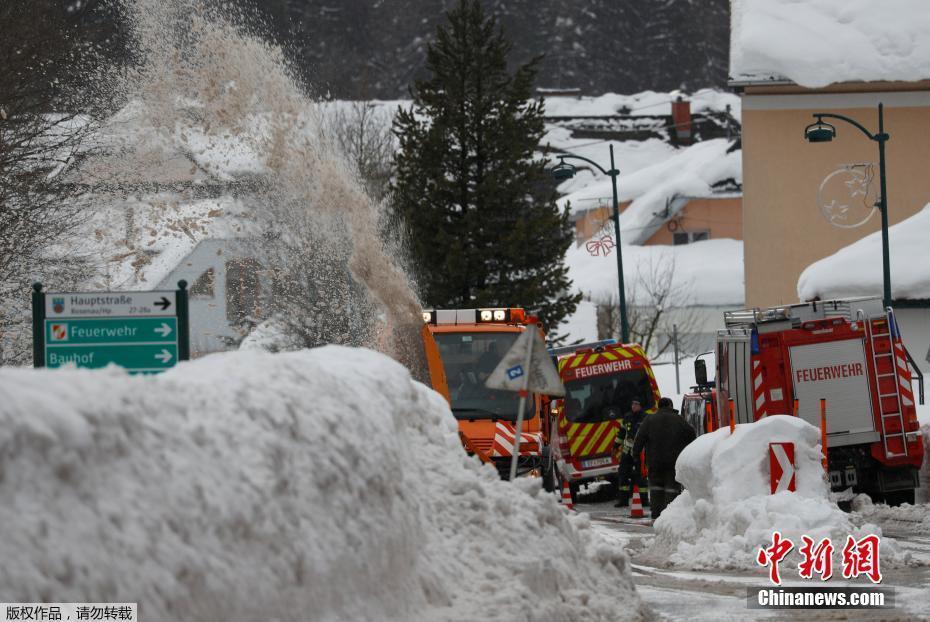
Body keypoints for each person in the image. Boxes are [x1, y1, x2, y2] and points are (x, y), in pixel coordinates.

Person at [631, 396, 696, 520]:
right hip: (673, 462)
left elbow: (639, 440)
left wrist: (636, 457)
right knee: (672, 489)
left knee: (656, 489)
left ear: (659, 407)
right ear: (670, 406)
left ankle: (656, 516)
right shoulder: (679, 420)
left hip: (654, 463)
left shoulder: (649, 420)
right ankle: (670, 517)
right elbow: (692, 435)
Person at [614, 399, 648, 508]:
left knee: (641, 476)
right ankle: (623, 500)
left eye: (636, 404)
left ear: (640, 406)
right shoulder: (627, 417)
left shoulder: (645, 418)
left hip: (640, 453)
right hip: (627, 452)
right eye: (633, 404)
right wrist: (615, 446)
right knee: (623, 474)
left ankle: (644, 500)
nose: (634, 406)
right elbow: (621, 434)